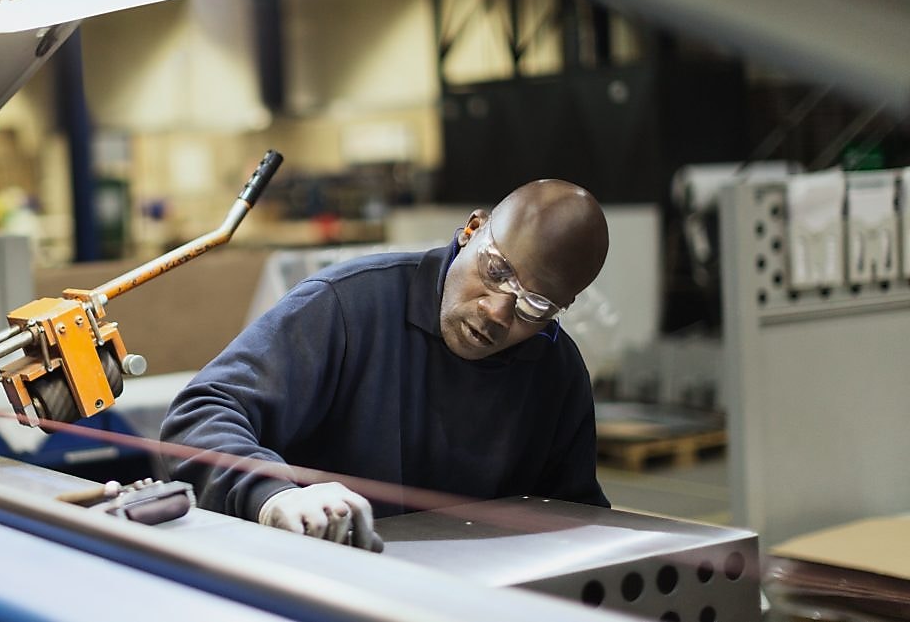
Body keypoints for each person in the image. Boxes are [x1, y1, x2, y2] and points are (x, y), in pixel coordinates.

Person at [160, 179, 611, 551]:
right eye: (496, 272)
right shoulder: (345, 307)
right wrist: (270, 494)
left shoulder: (556, 371)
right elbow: (201, 413)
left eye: (534, 306)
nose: (497, 312)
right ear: (472, 231)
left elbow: (576, 519)